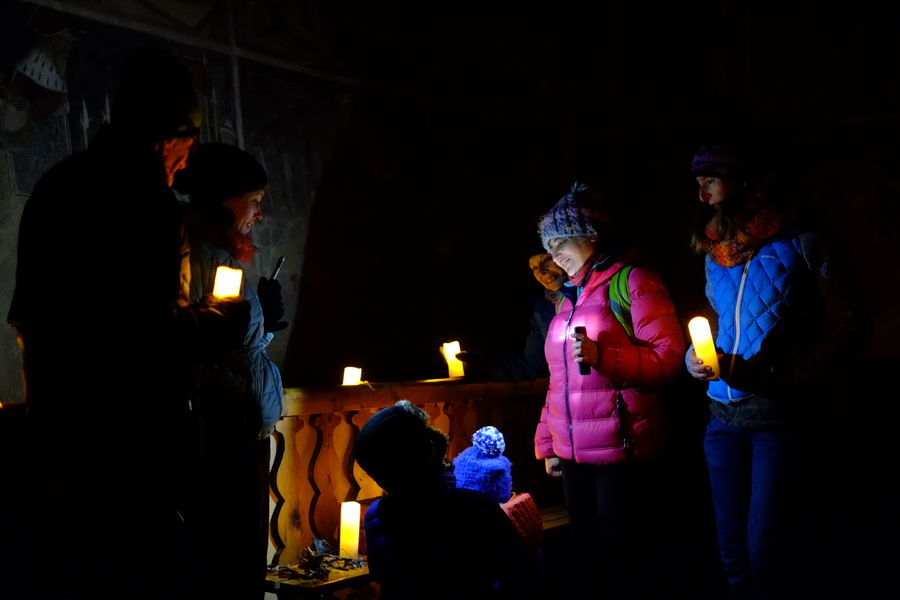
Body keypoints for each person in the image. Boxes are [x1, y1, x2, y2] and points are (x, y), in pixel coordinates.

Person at [6, 48, 246, 598]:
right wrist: (220, 320)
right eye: (186, 146)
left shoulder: (58, 186)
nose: (186, 163)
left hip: (58, 434)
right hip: (132, 450)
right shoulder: (145, 204)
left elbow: (36, 315)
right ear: (166, 136)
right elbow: (145, 338)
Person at [686, 143, 868, 599]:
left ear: (743, 179)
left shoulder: (803, 238)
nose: (702, 192)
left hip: (776, 419)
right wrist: (695, 357)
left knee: (765, 548)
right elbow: (721, 320)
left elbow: (849, 322)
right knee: (729, 547)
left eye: (711, 179)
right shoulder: (715, 249)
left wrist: (795, 380)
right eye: (698, 182)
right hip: (721, 419)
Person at [533, 182, 686, 597]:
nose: (554, 254)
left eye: (561, 240)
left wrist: (605, 356)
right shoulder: (566, 301)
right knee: (586, 557)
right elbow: (558, 379)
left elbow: (670, 359)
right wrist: (549, 440)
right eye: (549, 245)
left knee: (622, 559)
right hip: (574, 454)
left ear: (589, 235)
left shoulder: (633, 282)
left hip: (622, 451)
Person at [173, 142, 286, 598]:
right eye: (254, 200)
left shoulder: (221, 255)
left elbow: (238, 345)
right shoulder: (201, 255)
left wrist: (266, 326)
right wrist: (234, 398)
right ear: (225, 199)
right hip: (221, 444)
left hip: (239, 438)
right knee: (229, 574)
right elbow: (197, 350)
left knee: (239, 571)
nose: (258, 214)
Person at [354, 400, 535, 600]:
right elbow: (519, 573)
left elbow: (384, 576)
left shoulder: (375, 515)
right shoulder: (477, 507)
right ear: (430, 450)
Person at [457, 253, 574, 381]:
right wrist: (486, 366)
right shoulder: (544, 309)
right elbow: (533, 365)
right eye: (534, 268)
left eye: (546, 260)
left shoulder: (590, 294)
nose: (541, 271)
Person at [453, 425, 543, 557]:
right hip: (491, 513)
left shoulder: (462, 459)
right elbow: (503, 493)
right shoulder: (499, 467)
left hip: (466, 511)